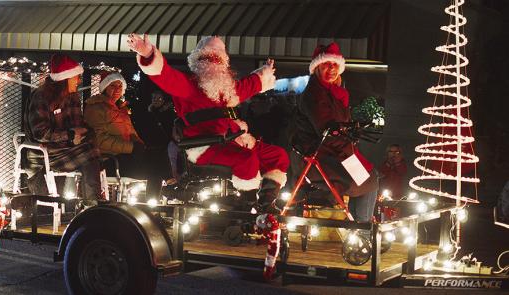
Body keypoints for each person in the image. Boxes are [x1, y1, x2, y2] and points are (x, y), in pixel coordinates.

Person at [126, 34, 289, 211]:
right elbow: (166, 76)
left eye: (217, 60)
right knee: (247, 159)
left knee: (278, 155)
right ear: (198, 62)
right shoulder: (188, 86)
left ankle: (266, 201)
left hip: (232, 140)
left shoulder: (227, 89)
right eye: (206, 59)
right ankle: (248, 204)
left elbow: (250, 85)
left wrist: (264, 73)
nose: (212, 65)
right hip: (204, 145)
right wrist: (149, 54)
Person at [288, 42, 378, 222]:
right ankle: (362, 228)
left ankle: (359, 224)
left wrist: (353, 130)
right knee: (368, 180)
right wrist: (346, 136)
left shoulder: (335, 93)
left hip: (334, 152)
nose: (331, 69)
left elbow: (339, 126)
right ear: (317, 68)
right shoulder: (315, 94)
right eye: (326, 65)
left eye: (335, 65)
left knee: (370, 176)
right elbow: (327, 127)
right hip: (318, 157)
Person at [24, 54, 102, 205]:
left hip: (67, 147)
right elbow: (40, 133)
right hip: (46, 152)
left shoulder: (73, 96)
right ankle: (93, 203)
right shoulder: (41, 97)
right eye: (77, 77)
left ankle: (92, 202)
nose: (79, 81)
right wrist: (71, 135)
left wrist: (84, 132)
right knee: (90, 152)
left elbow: (78, 122)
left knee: (91, 148)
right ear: (65, 78)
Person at [84, 72, 170, 198]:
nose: (117, 89)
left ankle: (169, 186)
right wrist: (131, 147)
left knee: (159, 155)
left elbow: (131, 133)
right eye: (113, 85)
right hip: (109, 160)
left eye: (120, 86)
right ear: (105, 87)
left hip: (126, 156)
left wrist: (140, 145)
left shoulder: (120, 109)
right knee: (154, 169)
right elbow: (99, 140)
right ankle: (154, 204)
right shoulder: (96, 108)